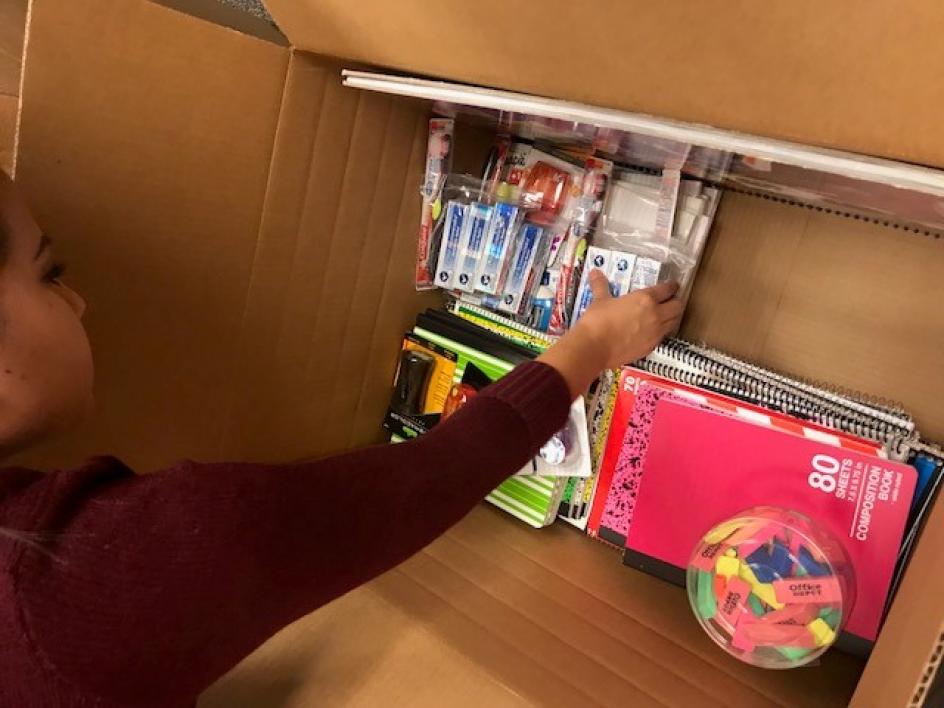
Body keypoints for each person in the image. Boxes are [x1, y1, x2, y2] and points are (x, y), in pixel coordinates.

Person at [0, 169, 683, 707]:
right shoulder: (100, 576)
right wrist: (593, 343)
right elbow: (431, 477)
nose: (79, 301)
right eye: (50, 272)